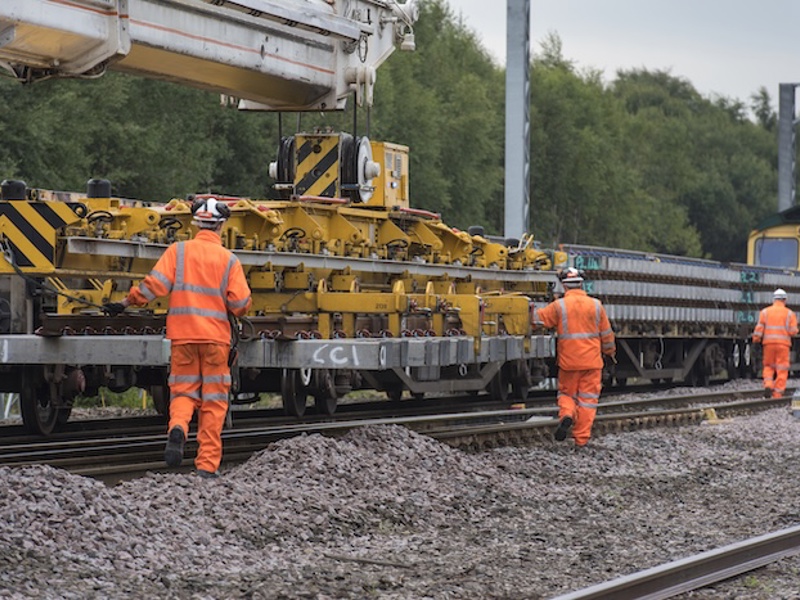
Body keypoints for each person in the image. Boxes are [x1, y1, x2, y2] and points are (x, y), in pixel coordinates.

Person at [103, 197, 252, 478]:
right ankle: (206, 466)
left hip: (182, 338)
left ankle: (178, 429)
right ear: (220, 226)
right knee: (213, 401)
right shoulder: (229, 260)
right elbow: (240, 303)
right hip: (215, 342)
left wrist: (124, 302)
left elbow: (152, 287)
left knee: (183, 392)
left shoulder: (178, 252)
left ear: (196, 224)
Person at [533, 267, 616, 447]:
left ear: (564, 286)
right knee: (588, 401)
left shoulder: (559, 305)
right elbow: (607, 335)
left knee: (566, 394)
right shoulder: (596, 305)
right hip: (592, 362)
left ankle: (567, 415)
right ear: (581, 284)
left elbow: (538, 320)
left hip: (569, 362)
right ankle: (581, 439)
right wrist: (610, 354)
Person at [752, 288, 797, 399]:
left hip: (768, 345)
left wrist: (756, 340)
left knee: (768, 366)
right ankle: (777, 394)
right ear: (784, 300)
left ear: (774, 299)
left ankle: (768, 384)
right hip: (783, 345)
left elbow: (759, 329)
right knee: (782, 369)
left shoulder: (765, 312)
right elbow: (793, 331)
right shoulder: (790, 314)